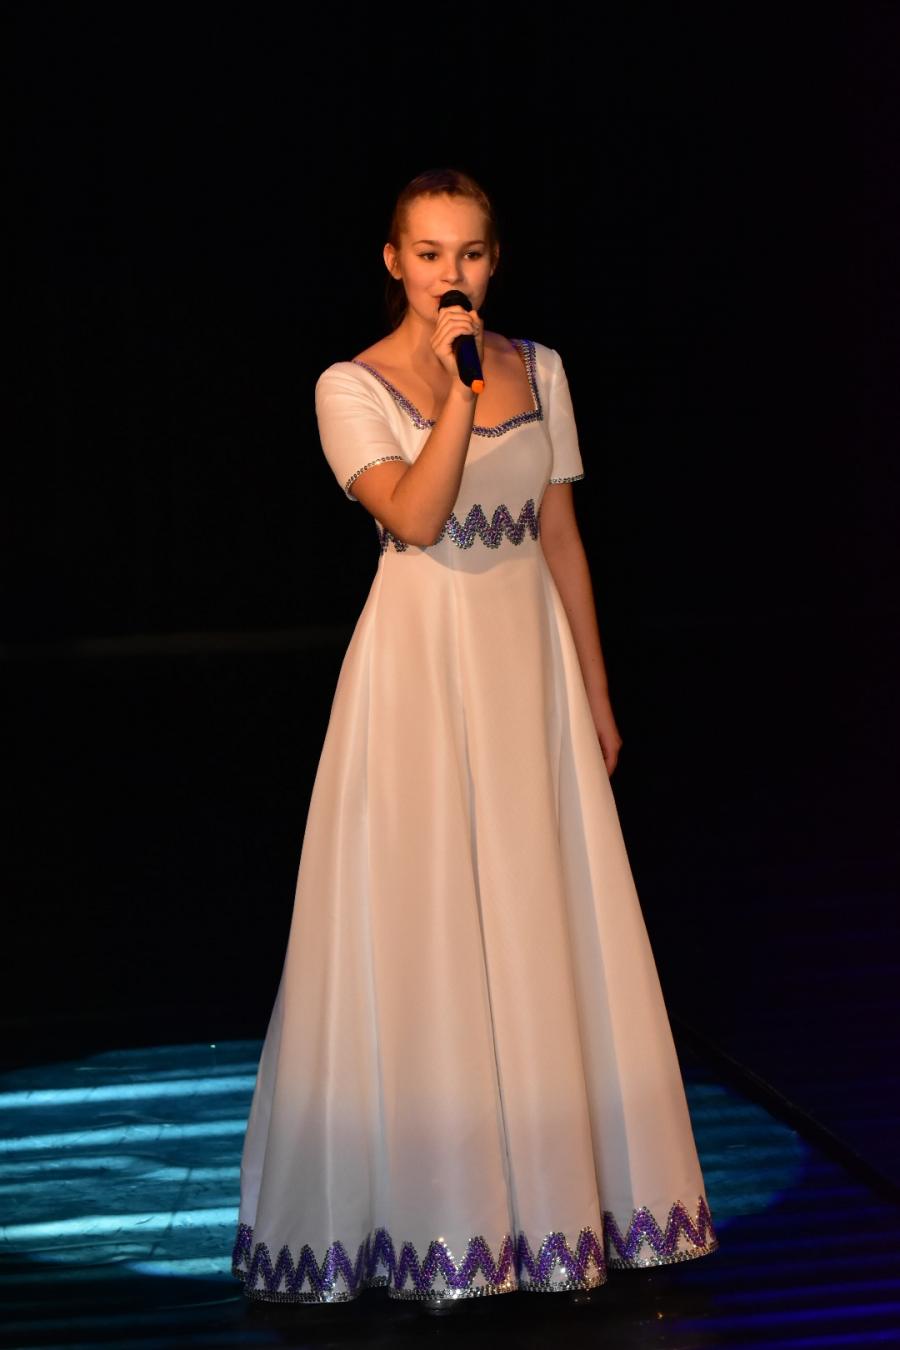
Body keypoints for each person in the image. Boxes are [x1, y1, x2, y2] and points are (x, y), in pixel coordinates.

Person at [231, 167, 719, 1313]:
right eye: (430, 253)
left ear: (494, 260)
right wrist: (456, 394)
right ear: (393, 260)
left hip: (523, 663)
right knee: (433, 917)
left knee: (543, 908)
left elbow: (560, 534)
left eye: (472, 253)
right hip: (420, 667)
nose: (452, 274)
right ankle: (442, 1219)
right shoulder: (350, 385)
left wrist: (594, 689)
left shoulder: (540, 368)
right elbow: (414, 513)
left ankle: (561, 1212)